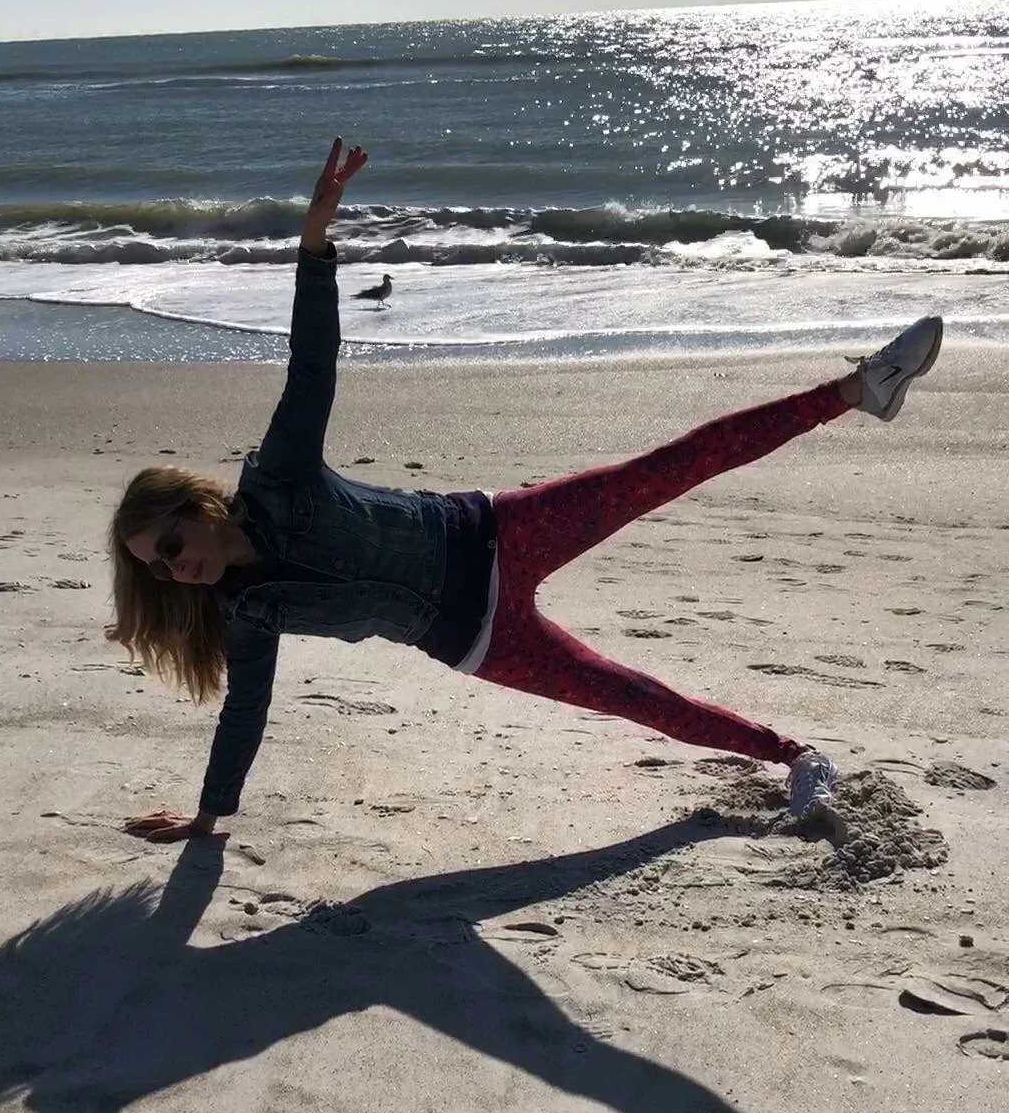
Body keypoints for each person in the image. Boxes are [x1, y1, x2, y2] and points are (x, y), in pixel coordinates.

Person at [109, 138, 943, 844]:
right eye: (157, 569)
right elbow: (244, 709)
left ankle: (857, 390)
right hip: (477, 639)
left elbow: (312, 365)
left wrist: (315, 243)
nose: (173, 571)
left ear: (202, 507)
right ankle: (795, 755)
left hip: (499, 533)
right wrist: (209, 817)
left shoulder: (279, 477)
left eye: (171, 548)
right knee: (632, 698)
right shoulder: (247, 611)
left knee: (670, 467)